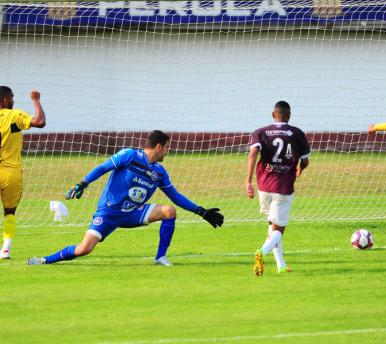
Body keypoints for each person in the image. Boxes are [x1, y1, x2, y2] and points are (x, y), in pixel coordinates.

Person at [28, 130, 224, 266]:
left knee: (168, 211)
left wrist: (202, 211)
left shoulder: (159, 172)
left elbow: (175, 196)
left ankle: (160, 257)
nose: (168, 151)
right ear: (158, 146)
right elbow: (103, 168)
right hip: (109, 212)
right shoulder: (129, 155)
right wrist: (83, 183)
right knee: (84, 249)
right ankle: (45, 260)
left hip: (133, 213)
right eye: (166, 147)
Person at [246, 101, 310, 276]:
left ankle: (280, 264)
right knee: (279, 230)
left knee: (272, 225)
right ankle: (261, 251)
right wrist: (300, 169)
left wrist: (248, 181)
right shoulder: (297, 133)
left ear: (273, 115)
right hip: (283, 186)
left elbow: (253, 154)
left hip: (264, 186)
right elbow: (305, 161)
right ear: (289, 116)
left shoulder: (261, 132)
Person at [0, 86, 46, 259]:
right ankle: (5, 250)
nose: (13, 101)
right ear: (4, 100)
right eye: (11, 98)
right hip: (11, 172)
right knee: (9, 212)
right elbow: (40, 121)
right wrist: (36, 100)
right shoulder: (14, 116)